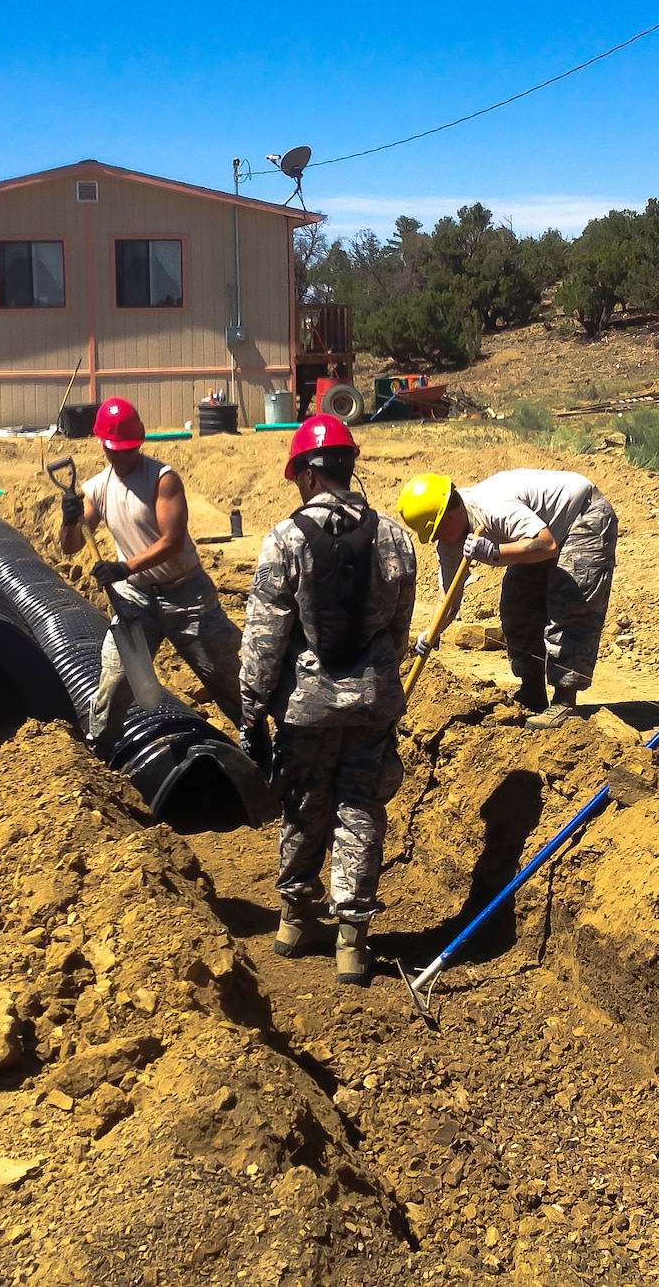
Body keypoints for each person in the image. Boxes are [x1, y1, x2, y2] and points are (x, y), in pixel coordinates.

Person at [240, 415, 417, 986]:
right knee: (360, 807)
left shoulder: (285, 539)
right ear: (348, 466)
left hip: (307, 707)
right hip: (372, 703)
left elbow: (264, 642)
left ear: (308, 475)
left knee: (304, 804)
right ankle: (350, 941)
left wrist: (252, 707)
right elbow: (397, 629)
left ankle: (293, 921)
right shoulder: (394, 537)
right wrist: (379, 681)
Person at [60, 396, 243, 742]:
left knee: (227, 678)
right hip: (136, 599)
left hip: (187, 595)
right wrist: (69, 520)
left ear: (140, 440)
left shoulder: (163, 479)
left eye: (128, 448)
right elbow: (70, 546)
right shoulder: (97, 488)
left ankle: (259, 745)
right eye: (115, 448)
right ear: (101, 443)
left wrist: (123, 567)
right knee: (114, 682)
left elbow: (172, 541)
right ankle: (103, 750)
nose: (121, 455)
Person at [396, 467, 617, 730]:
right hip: (538, 532)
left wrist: (495, 552)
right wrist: (430, 633)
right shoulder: (449, 541)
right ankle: (532, 691)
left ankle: (564, 701)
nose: (436, 539)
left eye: (435, 531)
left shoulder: (493, 507)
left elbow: (546, 544)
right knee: (517, 603)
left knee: (570, 602)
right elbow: (449, 597)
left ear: (450, 516)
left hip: (581, 516)